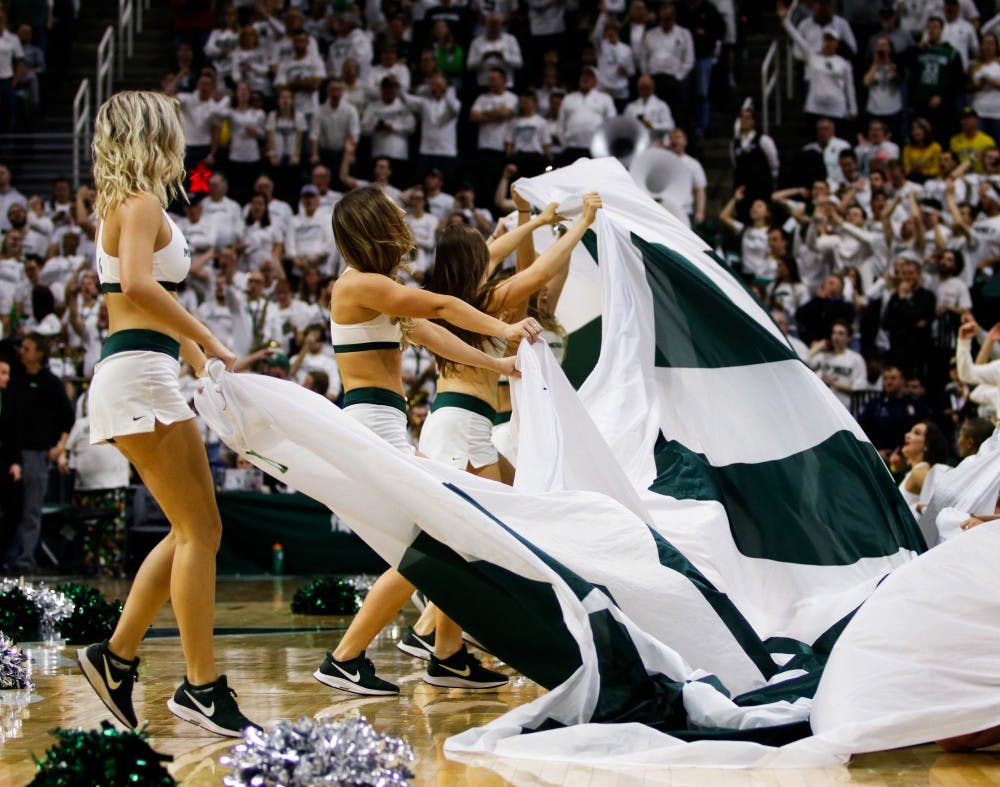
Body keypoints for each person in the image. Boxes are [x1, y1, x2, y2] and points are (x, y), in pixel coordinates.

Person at [75, 91, 257, 737]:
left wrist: (195, 358)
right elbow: (139, 287)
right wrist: (208, 338)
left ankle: (116, 656)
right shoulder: (142, 202)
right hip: (138, 378)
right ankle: (201, 686)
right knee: (201, 531)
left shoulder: (124, 201)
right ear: (154, 133)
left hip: (142, 371)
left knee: (189, 530)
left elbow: (148, 299)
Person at [313, 185, 543, 696]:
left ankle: (447, 654)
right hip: (372, 425)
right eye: (394, 212)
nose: (405, 217)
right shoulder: (356, 286)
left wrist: (498, 363)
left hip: (389, 424)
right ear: (376, 225)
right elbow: (442, 306)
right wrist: (504, 332)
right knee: (431, 543)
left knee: (451, 534)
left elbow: (431, 333)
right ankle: (345, 658)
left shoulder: (377, 287)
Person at [892, 420, 949, 515]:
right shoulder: (914, 471)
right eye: (910, 431)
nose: (907, 435)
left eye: (916, 433)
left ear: (927, 444)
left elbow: (942, 495)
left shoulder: (920, 470)